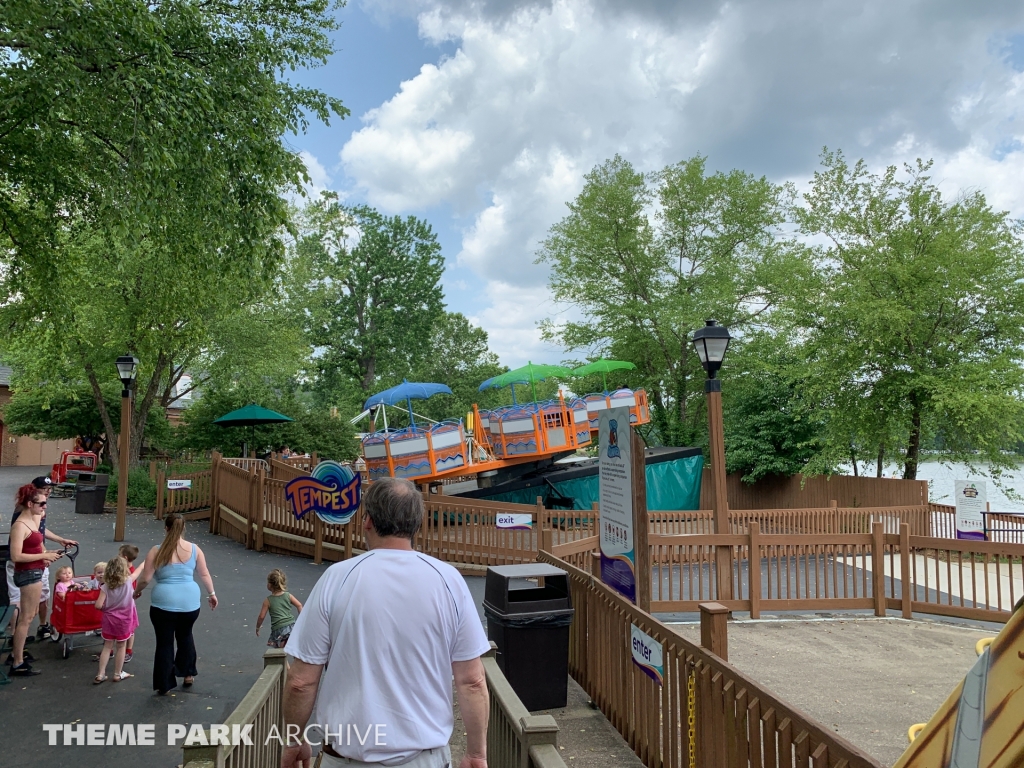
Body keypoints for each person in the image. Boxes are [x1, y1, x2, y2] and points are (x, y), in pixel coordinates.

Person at [281, 477, 491, 768]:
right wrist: (476, 753)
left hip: (346, 758)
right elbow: (472, 680)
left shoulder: (337, 578)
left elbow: (301, 682)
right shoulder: (448, 581)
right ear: (417, 523)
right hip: (424, 760)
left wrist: (294, 739)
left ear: (367, 521)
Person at [133, 513, 218, 695]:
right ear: (183, 528)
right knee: (185, 635)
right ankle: (188, 673)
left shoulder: (156, 550)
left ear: (166, 528)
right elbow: (204, 574)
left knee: (164, 643)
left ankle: (164, 683)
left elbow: (145, 578)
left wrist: (136, 591)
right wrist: (211, 593)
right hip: (190, 601)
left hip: (163, 602)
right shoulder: (195, 549)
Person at [5, 478, 77, 642]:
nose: (48, 492)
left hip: (34, 563)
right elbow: (27, 541)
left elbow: (38, 534)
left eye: (50, 489)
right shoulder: (26, 513)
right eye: (45, 489)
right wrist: (44, 554)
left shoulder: (37, 510)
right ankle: (15, 638)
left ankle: (37, 629)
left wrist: (58, 541)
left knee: (36, 602)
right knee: (21, 606)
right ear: (33, 494)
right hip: (25, 565)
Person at [7, 490, 62, 675]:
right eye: (41, 504)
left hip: (36, 570)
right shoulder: (20, 525)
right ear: (30, 504)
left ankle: (18, 654)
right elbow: (16, 556)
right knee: (26, 618)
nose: (44, 507)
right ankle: (17, 662)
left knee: (31, 614)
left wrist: (47, 554)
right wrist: (44, 555)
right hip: (27, 573)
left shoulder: (34, 519)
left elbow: (37, 542)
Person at [93, 555, 143, 684]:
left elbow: (98, 605)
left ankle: (101, 674)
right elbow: (140, 570)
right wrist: (148, 559)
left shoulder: (105, 586)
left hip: (109, 619)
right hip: (124, 620)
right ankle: (117, 673)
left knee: (107, 646)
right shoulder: (128, 581)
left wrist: (107, 609)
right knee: (121, 646)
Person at [255, 569, 303, 648]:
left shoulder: (268, 601)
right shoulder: (288, 595)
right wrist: (301, 620)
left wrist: (257, 627)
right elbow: (299, 605)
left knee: (281, 650)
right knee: (291, 646)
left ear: (270, 585)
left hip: (279, 628)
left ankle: (284, 657)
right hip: (291, 625)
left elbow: (261, 616)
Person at [119, 544, 141, 663]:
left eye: (119, 555)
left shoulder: (129, 573)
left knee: (130, 629)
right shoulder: (129, 570)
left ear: (125, 558)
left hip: (127, 604)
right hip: (125, 602)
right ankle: (124, 650)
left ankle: (128, 650)